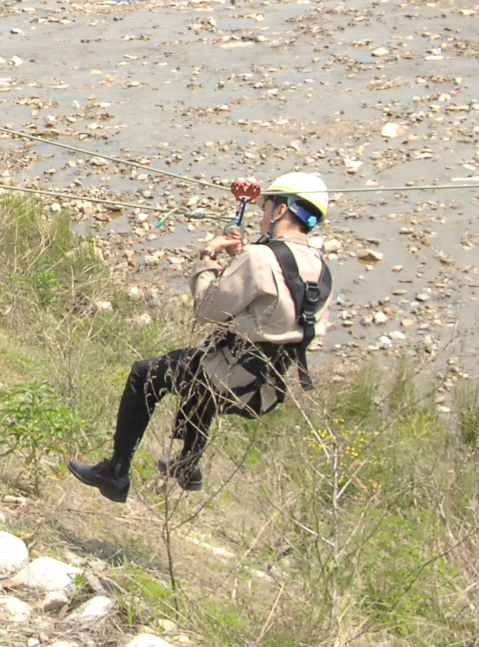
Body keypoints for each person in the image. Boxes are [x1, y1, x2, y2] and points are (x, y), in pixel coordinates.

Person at [68, 173, 334, 501]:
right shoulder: (321, 270)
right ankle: (188, 462)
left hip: (229, 381)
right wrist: (245, 260)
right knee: (200, 365)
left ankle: (116, 472)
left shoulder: (259, 258)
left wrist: (209, 254)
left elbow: (207, 310)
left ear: (280, 211)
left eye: (266, 208)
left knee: (146, 374)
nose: (263, 216)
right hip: (265, 391)